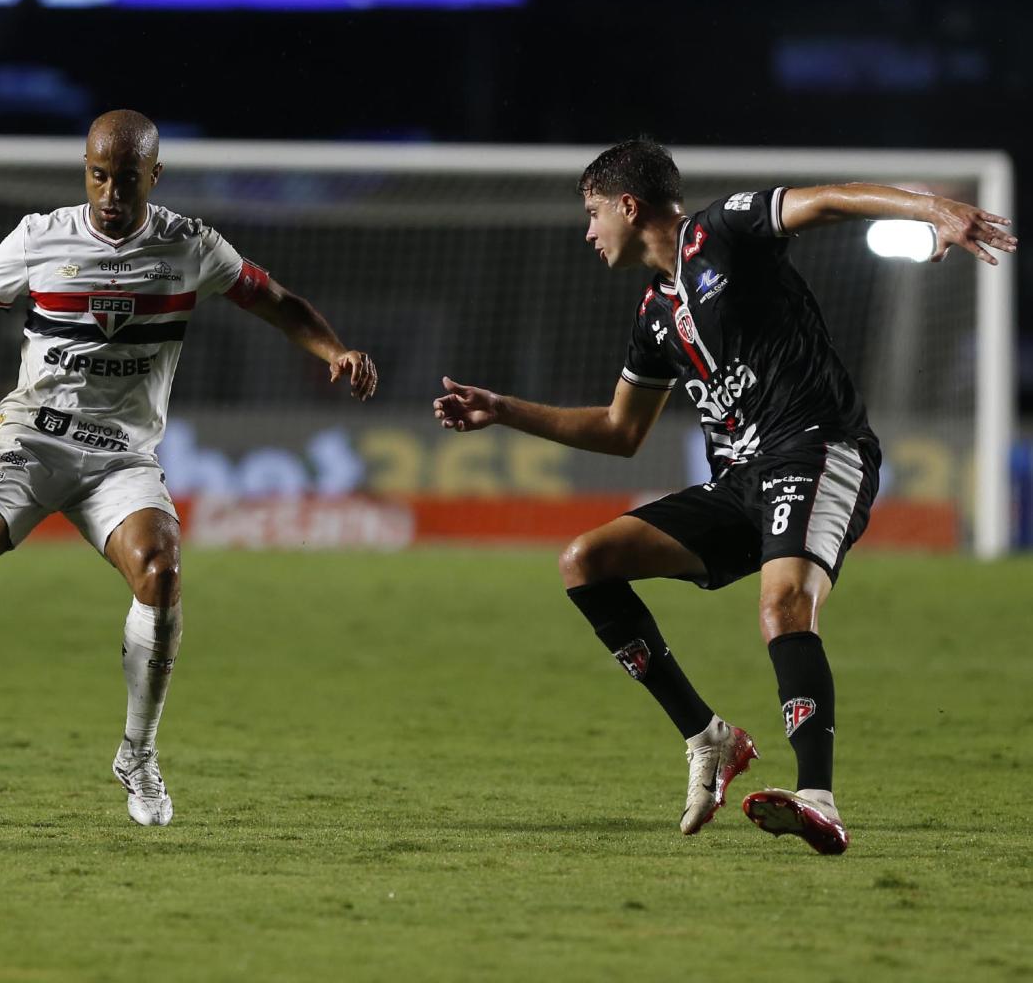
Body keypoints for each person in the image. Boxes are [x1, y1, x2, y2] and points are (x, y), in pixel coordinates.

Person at [0, 109, 379, 826]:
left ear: (155, 176)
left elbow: (277, 303)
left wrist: (334, 350)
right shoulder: (38, 238)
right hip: (31, 441)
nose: (110, 194)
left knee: (161, 572)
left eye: (126, 179)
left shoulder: (190, 246)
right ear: (84, 171)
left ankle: (137, 756)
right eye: (98, 176)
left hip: (121, 457)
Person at [433, 139, 1015, 854]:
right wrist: (502, 409)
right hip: (739, 483)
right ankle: (709, 738)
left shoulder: (724, 230)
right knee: (585, 561)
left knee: (783, 604)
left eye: (592, 213)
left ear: (628, 206)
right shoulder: (654, 315)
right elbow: (620, 430)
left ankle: (818, 798)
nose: (588, 231)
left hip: (816, 447)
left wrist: (933, 209)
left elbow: (828, 200)